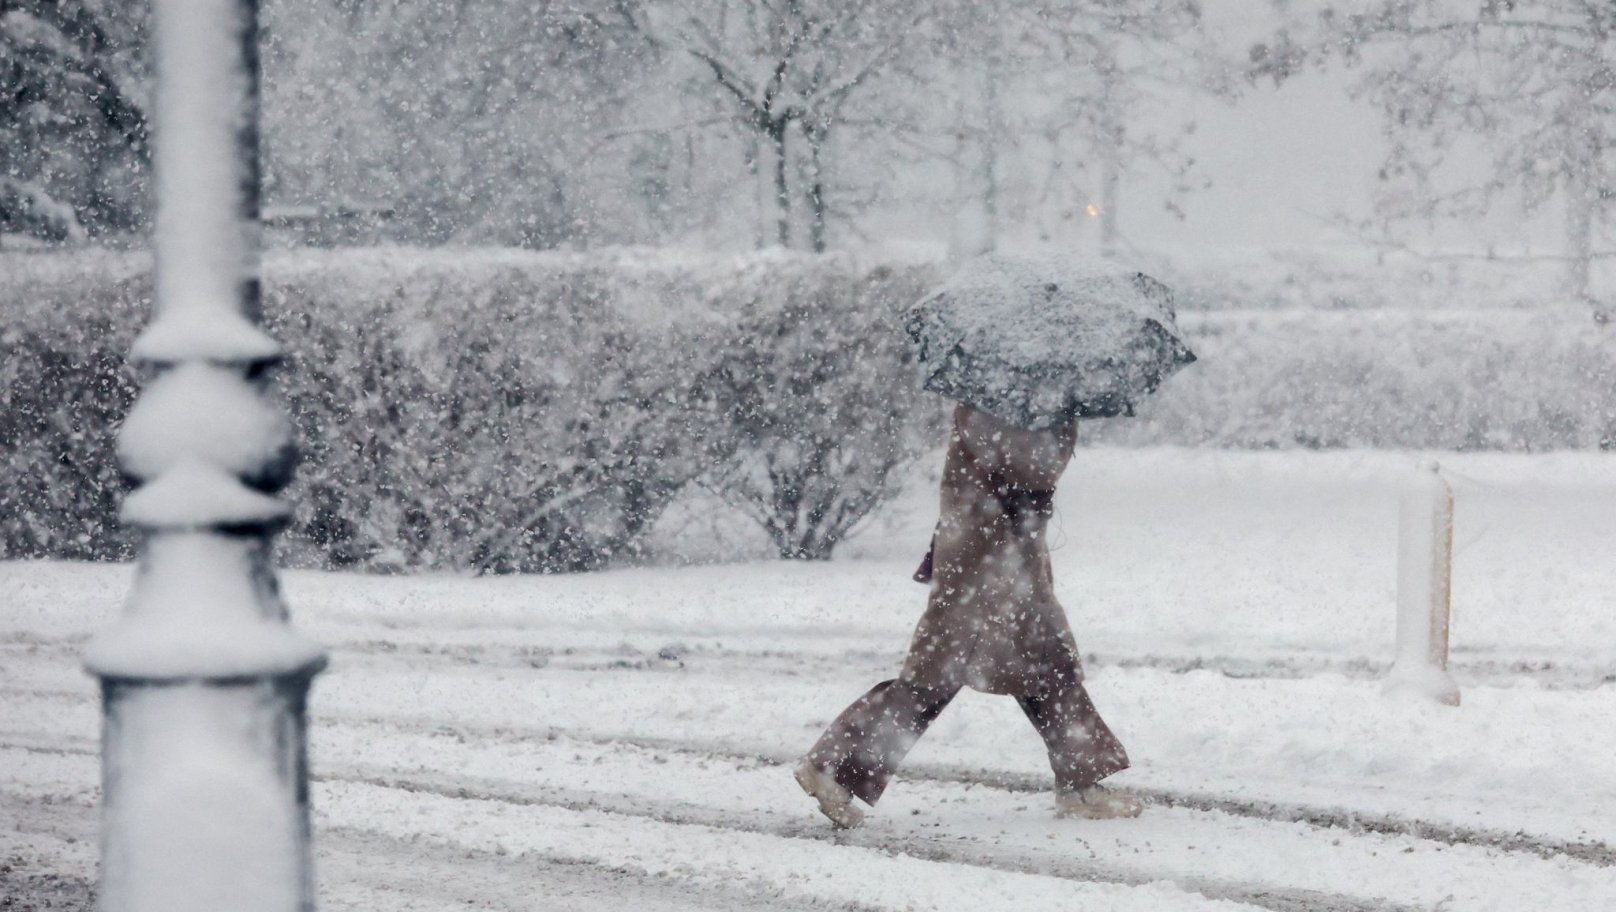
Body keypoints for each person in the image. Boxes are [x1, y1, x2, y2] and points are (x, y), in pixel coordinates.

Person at [794, 403, 1140, 827]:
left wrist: (1061, 420)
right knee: (936, 678)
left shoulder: (1017, 393)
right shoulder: (995, 398)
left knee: (1042, 667)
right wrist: (1061, 429)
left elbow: (1028, 472)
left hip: (1000, 559)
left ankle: (1082, 782)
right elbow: (1029, 468)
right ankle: (835, 767)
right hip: (984, 562)